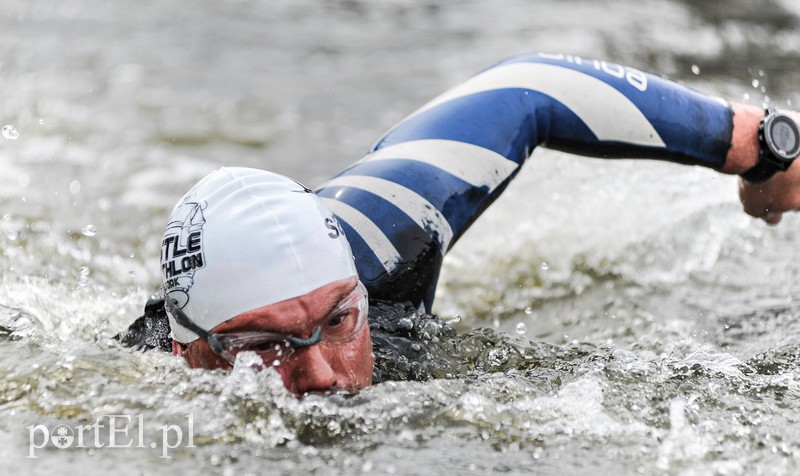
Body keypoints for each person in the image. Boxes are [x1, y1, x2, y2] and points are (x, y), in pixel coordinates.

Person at [118, 53, 800, 396]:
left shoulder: (377, 242)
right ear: (194, 356)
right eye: (267, 345)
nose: (323, 374)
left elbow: (528, 90)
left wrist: (756, 145)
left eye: (337, 321)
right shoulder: (130, 393)